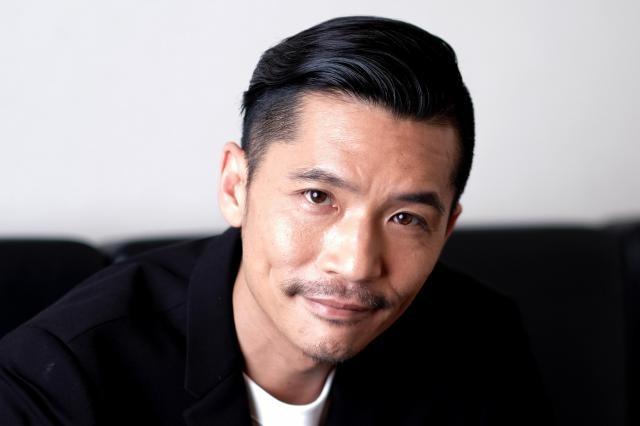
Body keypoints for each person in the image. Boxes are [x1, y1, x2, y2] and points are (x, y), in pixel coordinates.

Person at [0, 16, 553, 425]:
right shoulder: (61, 376)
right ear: (235, 188)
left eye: (405, 217)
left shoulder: (481, 341)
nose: (357, 263)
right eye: (317, 196)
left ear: (446, 229)